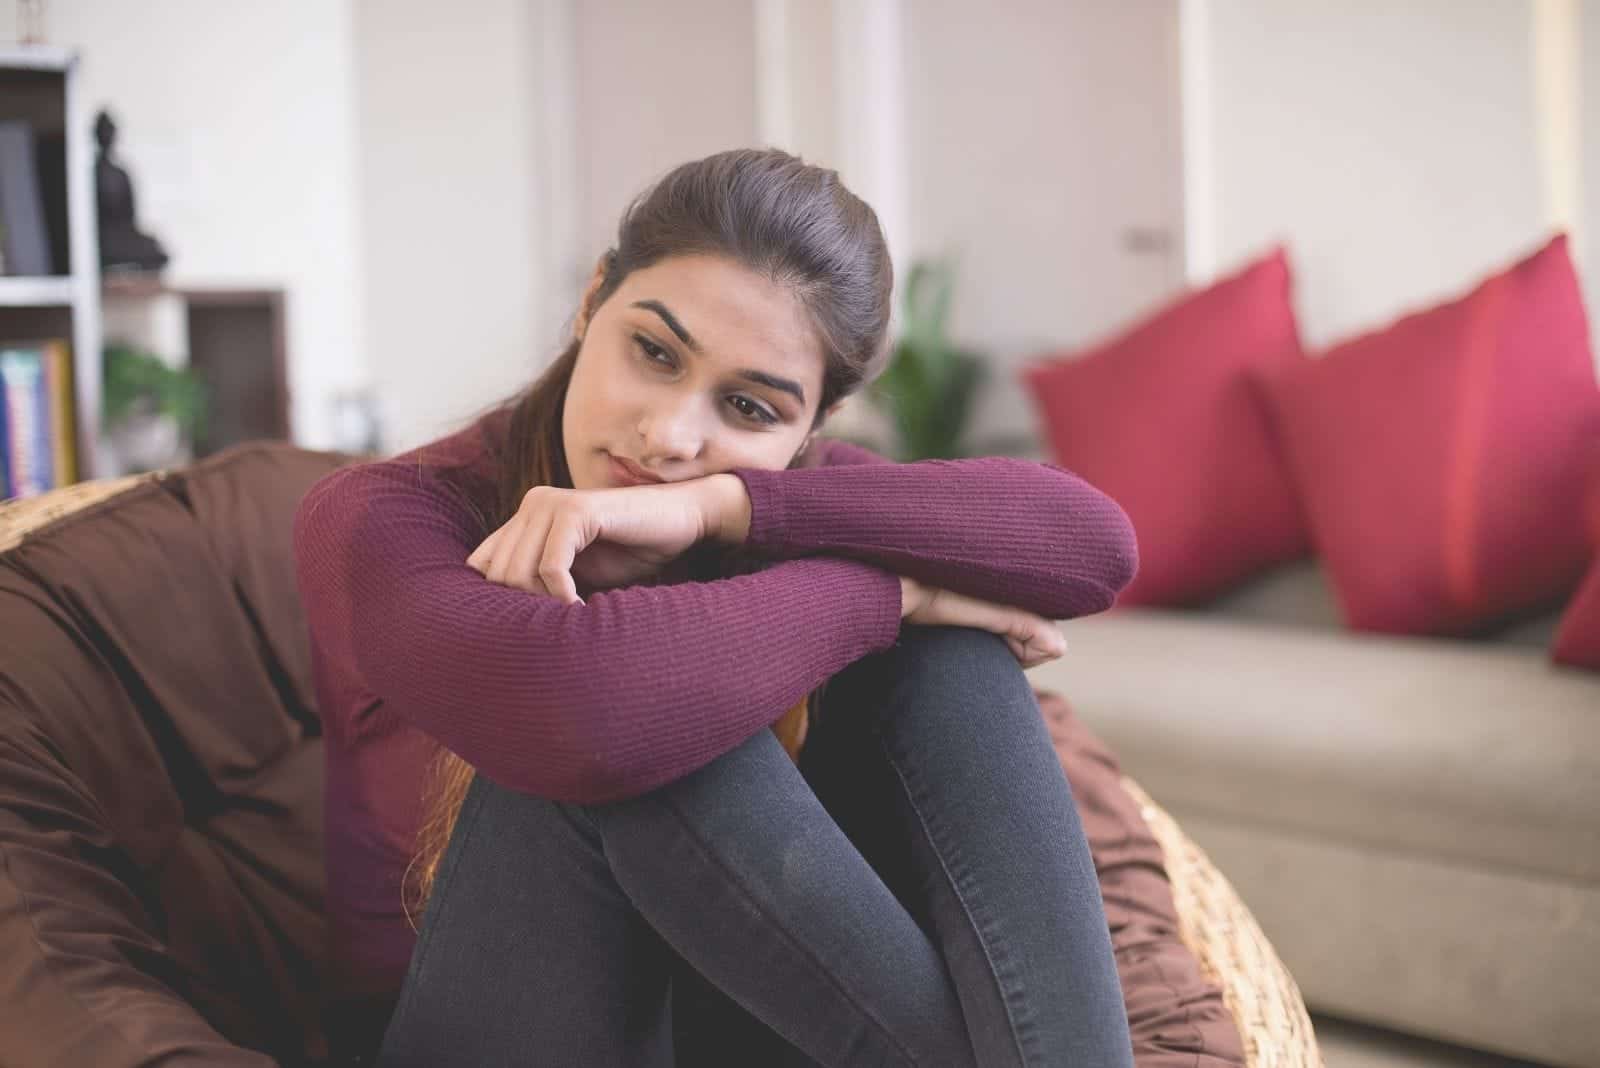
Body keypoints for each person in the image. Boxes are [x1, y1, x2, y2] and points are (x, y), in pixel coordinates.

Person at [292, 148, 1140, 1067]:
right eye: (653, 353)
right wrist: (892, 592)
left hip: (728, 1029)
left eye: (747, 407)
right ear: (590, 304)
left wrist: (720, 505)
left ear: (811, 431)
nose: (671, 437)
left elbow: (1096, 546)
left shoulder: (771, 492)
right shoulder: (382, 518)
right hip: (483, 1026)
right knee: (640, 717)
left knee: (949, 655)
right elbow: (586, 712)